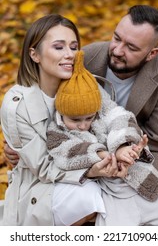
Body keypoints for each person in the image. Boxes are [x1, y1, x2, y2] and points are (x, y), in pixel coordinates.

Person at [0, 14, 128, 226]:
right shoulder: (18, 104)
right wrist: (92, 169)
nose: (69, 54)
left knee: (135, 196)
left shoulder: (86, 86)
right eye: (59, 47)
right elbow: (43, 168)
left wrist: (123, 148)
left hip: (97, 168)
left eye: (73, 46)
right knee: (89, 197)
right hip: (42, 187)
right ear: (35, 54)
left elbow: (110, 122)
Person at [47, 50, 158, 226]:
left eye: (89, 118)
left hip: (141, 184)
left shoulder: (102, 115)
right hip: (110, 196)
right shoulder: (57, 132)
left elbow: (121, 119)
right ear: (61, 112)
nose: (83, 125)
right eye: (75, 120)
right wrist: (102, 155)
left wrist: (124, 147)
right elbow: (65, 154)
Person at [83, 4, 158, 184]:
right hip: (84, 148)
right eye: (116, 38)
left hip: (140, 155)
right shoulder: (86, 57)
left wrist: (121, 156)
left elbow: (157, 140)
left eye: (131, 48)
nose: (117, 51)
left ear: (151, 54)